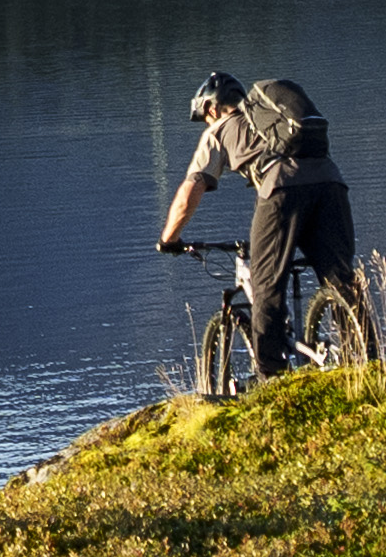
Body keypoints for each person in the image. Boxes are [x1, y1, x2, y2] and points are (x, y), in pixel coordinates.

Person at [150, 68, 365, 367]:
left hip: (282, 188)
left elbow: (191, 190)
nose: (206, 123)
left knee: (266, 285)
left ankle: (271, 379)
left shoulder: (218, 130)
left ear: (212, 108)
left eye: (205, 116)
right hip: (331, 184)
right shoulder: (270, 121)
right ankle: (367, 359)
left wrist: (169, 238)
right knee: (340, 278)